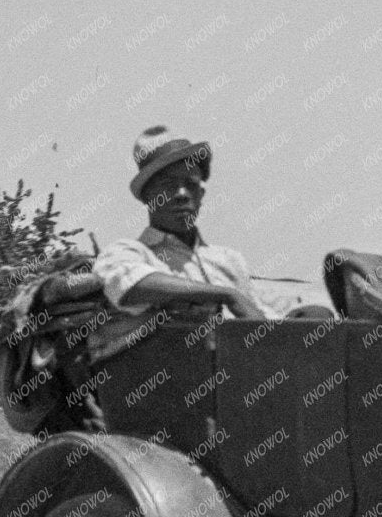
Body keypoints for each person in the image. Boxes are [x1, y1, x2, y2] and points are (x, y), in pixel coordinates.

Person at [91, 126, 267, 356]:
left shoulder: (229, 259)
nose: (182, 194)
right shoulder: (128, 252)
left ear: (201, 196)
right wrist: (224, 294)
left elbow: (258, 318)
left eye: (191, 185)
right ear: (148, 197)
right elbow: (131, 284)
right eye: (168, 185)